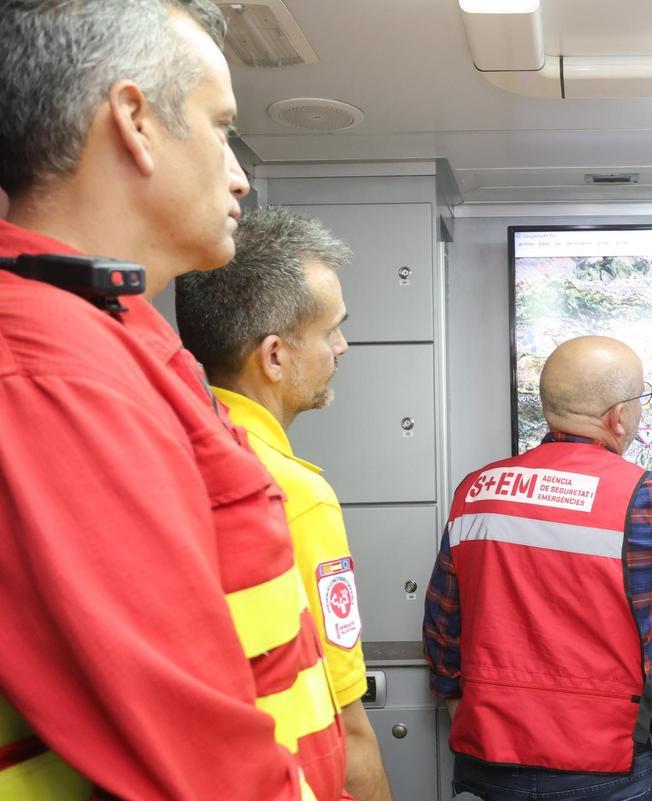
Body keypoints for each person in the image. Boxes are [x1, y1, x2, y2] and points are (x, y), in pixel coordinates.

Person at [0, 2, 346, 799]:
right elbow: (198, 758)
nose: (240, 173)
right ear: (135, 121)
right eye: (222, 127)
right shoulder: (55, 369)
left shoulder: (115, 336)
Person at [423, 335, 652, 801]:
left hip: (486, 760)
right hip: (603, 767)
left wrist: (459, 707)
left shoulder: (476, 490)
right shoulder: (649, 496)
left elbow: (442, 625)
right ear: (618, 417)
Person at [176, 207, 394, 801]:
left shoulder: (169, 451)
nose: (342, 348)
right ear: (274, 356)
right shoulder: (290, 492)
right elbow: (345, 724)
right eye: (331, 332)